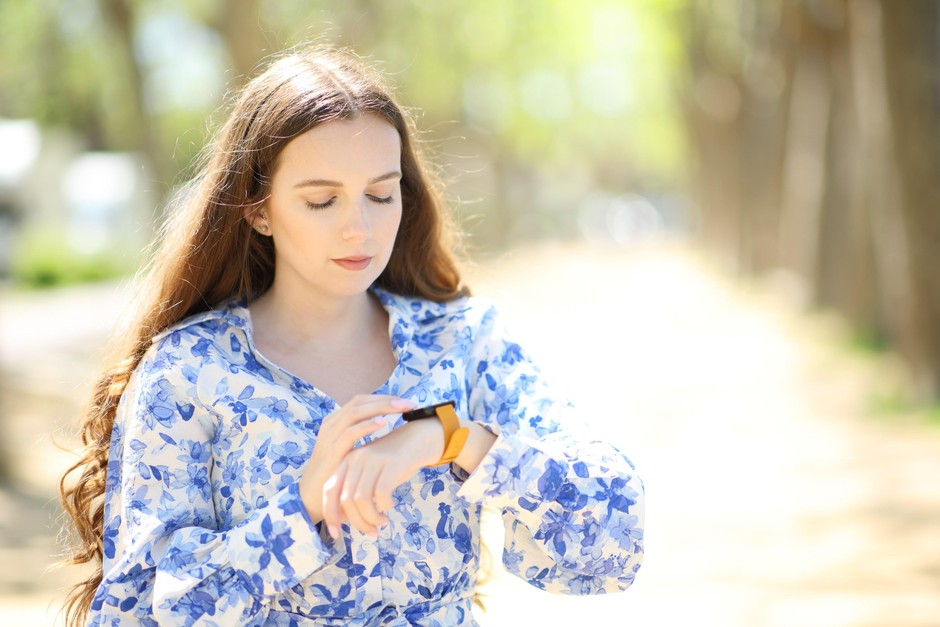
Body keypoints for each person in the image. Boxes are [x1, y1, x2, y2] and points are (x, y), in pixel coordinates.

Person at [59, 46, 645, 626]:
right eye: (322, 200)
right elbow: (139, 613)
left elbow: (614, 532)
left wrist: (449, 437)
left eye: (380, 194)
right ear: (258, 210)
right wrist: (301, 509)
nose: (358, 227)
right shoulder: (189, 370)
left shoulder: (462, 341)